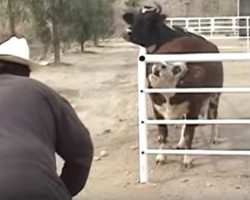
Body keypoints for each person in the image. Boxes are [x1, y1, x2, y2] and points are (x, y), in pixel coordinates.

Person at [0, 36, 93, 200]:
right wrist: (62, 191)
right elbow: (81, 150)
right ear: (27, 71)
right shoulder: (45, 94)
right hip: (38, 187)